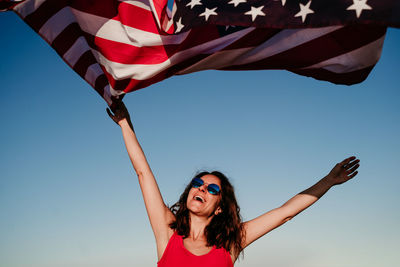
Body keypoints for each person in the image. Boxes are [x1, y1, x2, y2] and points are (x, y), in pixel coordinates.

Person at [107, 102, 360, 267]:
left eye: (213, 189)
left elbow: (285, 213)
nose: (202, 188)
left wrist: (328, 181)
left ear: (219, 207)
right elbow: (143, 173)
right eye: (198, 183)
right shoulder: (167, 232)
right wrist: (125, 125)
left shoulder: (231, 241)